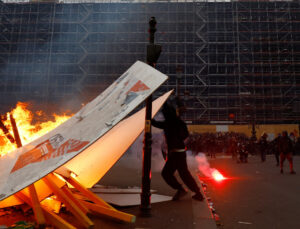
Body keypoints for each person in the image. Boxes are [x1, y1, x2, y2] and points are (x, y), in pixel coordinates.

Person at [152, 102, 204, 201]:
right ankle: (191, 192)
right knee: (178, 173)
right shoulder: (176, 122)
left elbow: (156, 123)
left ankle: (187, 191)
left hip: (177, 153)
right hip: (178, 152)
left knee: (175, 173)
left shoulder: (171, 123)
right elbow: (185, 134)